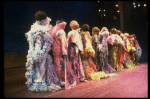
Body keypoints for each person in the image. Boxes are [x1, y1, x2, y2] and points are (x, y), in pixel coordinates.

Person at [25, 11, 62, 92]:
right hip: (40, 51)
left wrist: (35, 51)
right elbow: (46, 43)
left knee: (38, 67)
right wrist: (42, 52)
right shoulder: (45, 29)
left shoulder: (34, 28)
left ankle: (38, 81)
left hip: (34, 51)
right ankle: (40, 82)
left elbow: (32, 42)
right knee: (41, 66)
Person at [52, 19, 75, 89]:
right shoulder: (61, 31)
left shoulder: (54, 31)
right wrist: (65, 51)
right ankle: (62, 80)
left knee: (57, 64)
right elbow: (63, 42)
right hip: (60, 51)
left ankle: (57, 79)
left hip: (55, 50)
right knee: (62, 65)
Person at [67, 20, 86, 87]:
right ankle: (77, 77)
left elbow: (74, 43)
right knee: (76, 64)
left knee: (73, 64)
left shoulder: (71, 33)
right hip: (74, 50)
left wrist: (76, 52)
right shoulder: (77, 33)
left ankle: (74, 79)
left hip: (72, 50)